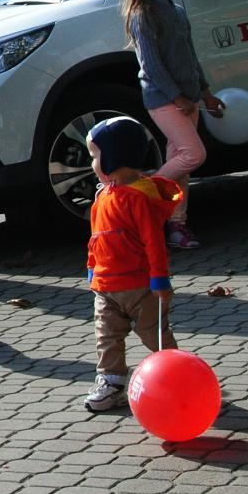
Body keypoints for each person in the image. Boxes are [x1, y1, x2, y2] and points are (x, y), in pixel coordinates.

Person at [119, 0, 222, 251]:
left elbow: (190, 58)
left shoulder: (176, 11)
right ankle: (138, 193)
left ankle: (176, 224)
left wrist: (205, 94)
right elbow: (151, 65)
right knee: (193, 154)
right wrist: (177, 98)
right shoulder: (144, 14)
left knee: (181, 163)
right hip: (164, 100)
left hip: (188, 98)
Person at [81, 115, 183, 412]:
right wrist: (91, 267)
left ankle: (176, 375)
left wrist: (160, 279)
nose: (92, 163)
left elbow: (154, 242)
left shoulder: (138, 198)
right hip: (106, 287)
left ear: (115, 156)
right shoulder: (102, 197)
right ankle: (111, 383)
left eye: (95, 156)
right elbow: (96, 238)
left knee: (155, 334)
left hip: (141, 287)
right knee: (107, 337)